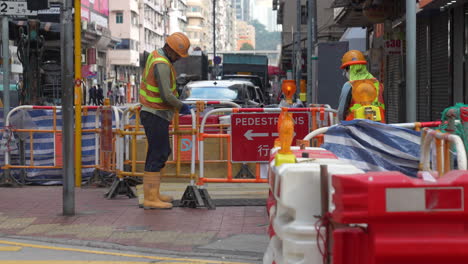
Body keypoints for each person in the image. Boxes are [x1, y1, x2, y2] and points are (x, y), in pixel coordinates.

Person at [139, 32, 191, 209]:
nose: (177, 58)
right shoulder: (161, 63)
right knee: (159, 152)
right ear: (169, 48)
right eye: (177, 54)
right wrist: (180, 106)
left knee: (157, 152)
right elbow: (166, 94)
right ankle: (150, 198)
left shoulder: (157, 56)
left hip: (154, 113)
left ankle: (153, 193)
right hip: (155, 114)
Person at [337, 50, 386, 122]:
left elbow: (341, 112)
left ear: (349, 69)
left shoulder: (349, 85)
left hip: (355, 128)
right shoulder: (377, 84)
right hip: (378, 127)